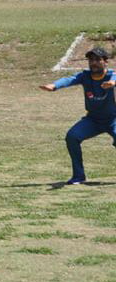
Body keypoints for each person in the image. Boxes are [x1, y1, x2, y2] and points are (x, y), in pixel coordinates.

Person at [39, 47, 116, 184]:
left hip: (113, 120)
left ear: (105, 62)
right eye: (91, 60)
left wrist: (112, 83)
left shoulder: (111, 75)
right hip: (93, 120)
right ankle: (78, 176)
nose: (94, 63)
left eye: (98, 60)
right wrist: (54, 85)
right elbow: (69, 79)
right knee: (72, 137)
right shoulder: (85, 76)